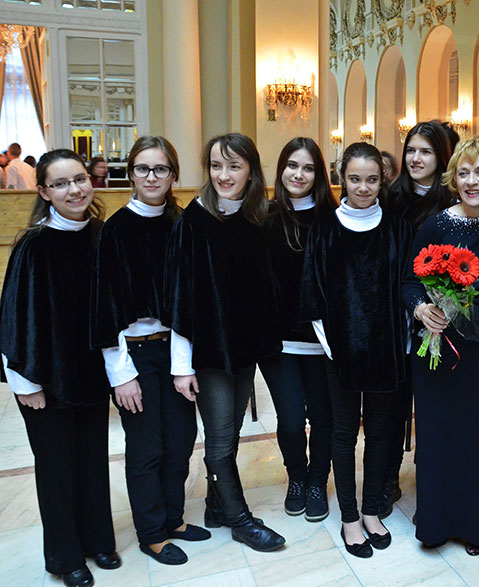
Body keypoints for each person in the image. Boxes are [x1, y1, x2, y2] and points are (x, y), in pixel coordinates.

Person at [0, 149, 118, 587]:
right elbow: (13, 318)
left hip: (89, 373)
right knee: (55, 467)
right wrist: (25, 382)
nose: (75, 190)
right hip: (44, 378)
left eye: (81, 179)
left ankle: (97, 541)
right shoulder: (34, 245)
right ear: (44, 191)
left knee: (92, 460)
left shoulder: (101, 236)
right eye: (63, 183)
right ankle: (65, 557)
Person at [90, 136, 209, 566]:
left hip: (176, 350)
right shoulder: (115, 231)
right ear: (130, 173)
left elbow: (188, 302)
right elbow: (104, 308)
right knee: (146, 447)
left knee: (181, 440)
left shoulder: (182, 223)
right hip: (133, 354)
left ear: (174, 175)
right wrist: (120, 374)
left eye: (161, 169)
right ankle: (152, 532)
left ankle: (174, 519)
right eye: (143, 169)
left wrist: (183, 365)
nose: (152, 177)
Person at [166, 133, 286, 553]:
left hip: (243, 347)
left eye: (233, 166)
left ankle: (216, 506)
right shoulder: (194, 220)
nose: (223, 175)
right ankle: (240, 520)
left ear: (250, 170)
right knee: (219, 439)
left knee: (231, 434)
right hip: (210, 351)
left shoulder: (257, 217)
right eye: (216, 166)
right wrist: (182, 364)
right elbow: (180, 295)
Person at [300, 142, 411, 558]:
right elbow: (313, 296)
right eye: (354, 179)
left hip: (387, 352)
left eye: (371, 179)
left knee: (382, 434)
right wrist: (333, 348)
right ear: (341, 178)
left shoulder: (398, 227)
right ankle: (348, 517)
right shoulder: (325, 229)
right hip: (341, 353)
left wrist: (400, 342)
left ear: (382, 179)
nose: (363, 187)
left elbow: (406, 289)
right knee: (344, 435)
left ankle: (370, 512)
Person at [406, 135, 479, 555]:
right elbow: (408, 281)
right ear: (453, 177)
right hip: (439, 349)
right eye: (464, 172)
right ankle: (434, 523)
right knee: (438, 436)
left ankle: (476, 528)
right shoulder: (435, 224)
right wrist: (419, 309)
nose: (472, 181)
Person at [257, 138, 337, 522]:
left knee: (323, 418)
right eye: (292, 165)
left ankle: (319, 481)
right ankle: (298, 478)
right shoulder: (265, 217)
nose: (299, 174)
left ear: (318, 174)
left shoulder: (333, 220)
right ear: (281, 169)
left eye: (307, 168)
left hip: (323, 342)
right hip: (279, 341)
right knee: (290, 419)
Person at [381, 120, 454, 512]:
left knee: (433, 404)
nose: (415, 158)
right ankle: (388, 476)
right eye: (411, 149)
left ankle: (433, 476)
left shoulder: (453, 202)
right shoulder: (390, 197)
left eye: (425, 151)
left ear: (441, 157)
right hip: (395, 313)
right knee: (392, 403)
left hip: (440, 317)